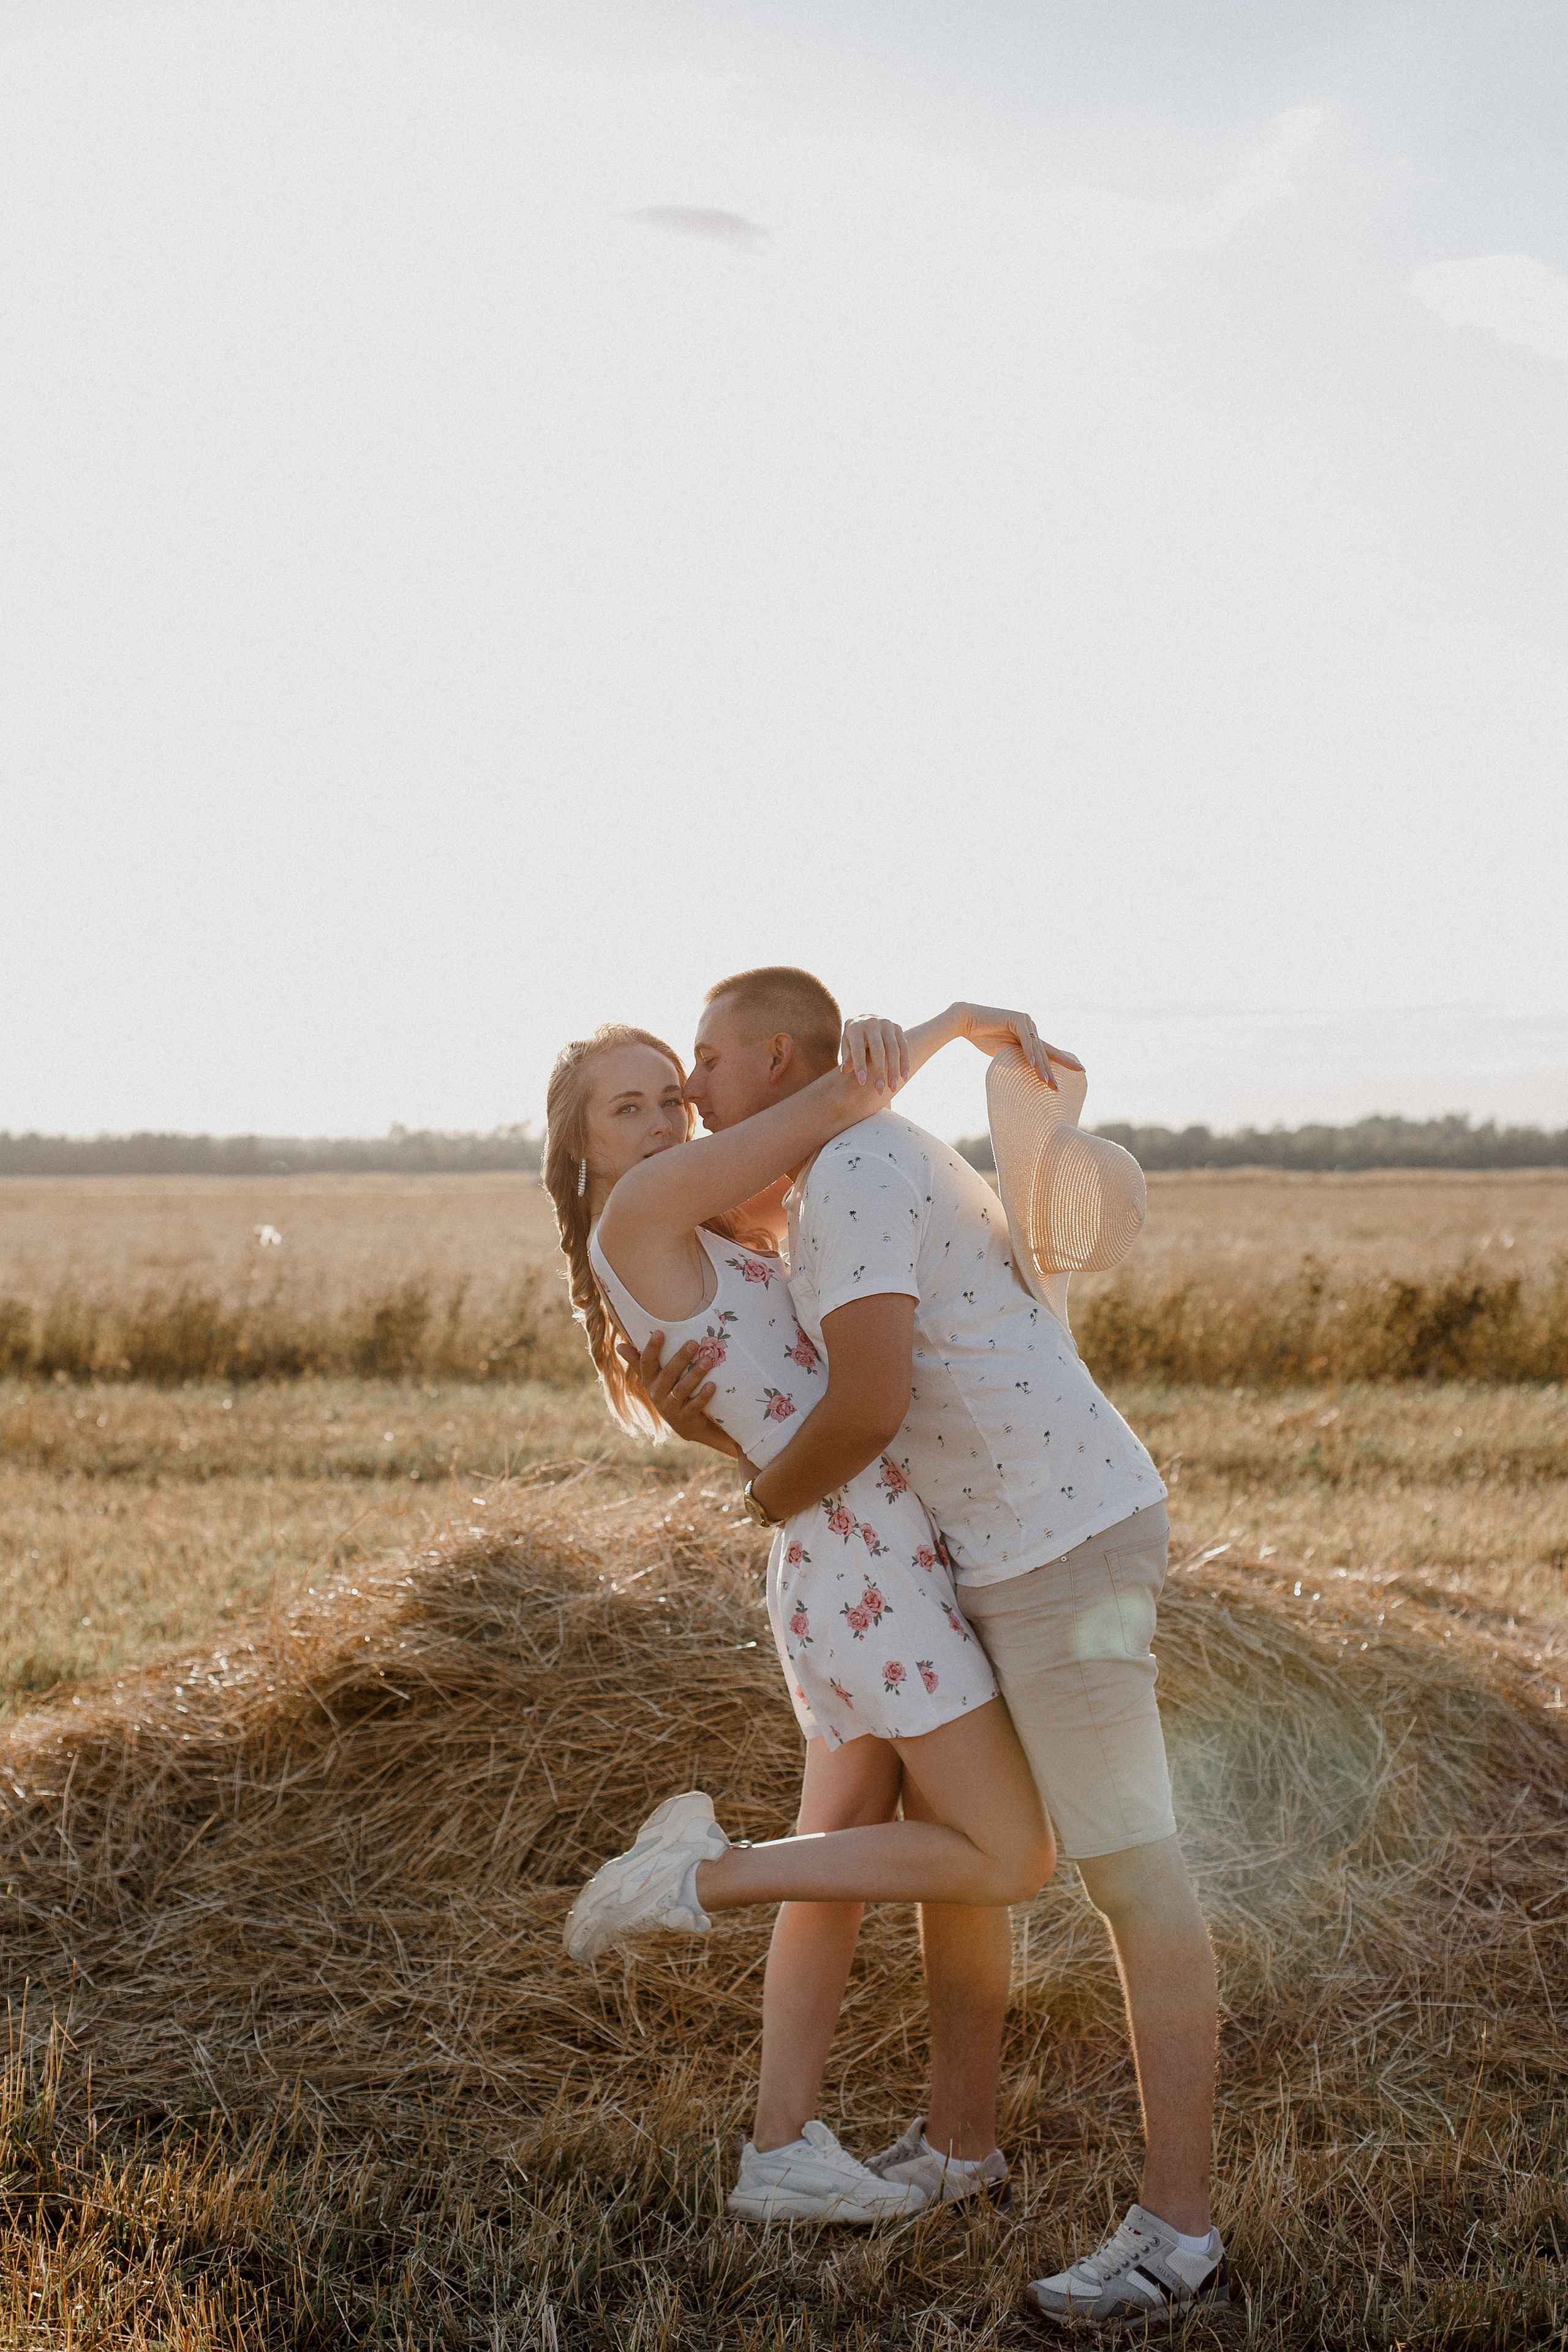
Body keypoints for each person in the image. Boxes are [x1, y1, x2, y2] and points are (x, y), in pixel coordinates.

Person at [630, 967, 1227, 2332]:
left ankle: (1176, 2233)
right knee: (972, 1855)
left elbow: (865, 1405)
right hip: (996, 1543)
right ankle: (960, 2145)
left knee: (1134, 1874)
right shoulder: (839, 1163)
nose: (694, 1100)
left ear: (774, 1059)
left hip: (1058, 1544)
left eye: (707, 1067)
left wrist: (754, 1501)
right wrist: (704, 1420)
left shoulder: (848, 1174)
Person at [545, 1002, 1063, 2225]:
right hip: (859, 1566)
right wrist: (946, 1027)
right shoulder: (638, 1215)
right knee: (1011, 1852)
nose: (668, 1115)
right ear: (584, 1150)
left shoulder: (711, 1232)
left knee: (830, 1871)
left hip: (850, 1562)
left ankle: (781, 2151)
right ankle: (698, 1876)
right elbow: (834, 1105)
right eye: (630, 1107)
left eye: (672, 1093)